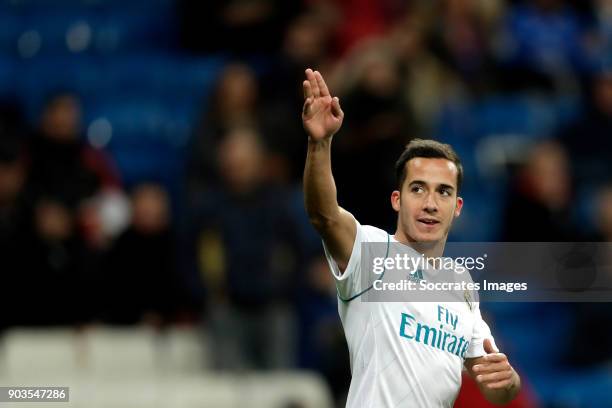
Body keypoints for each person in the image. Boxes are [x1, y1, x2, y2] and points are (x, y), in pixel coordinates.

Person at [301, 68, 521, 406]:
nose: (431, 204)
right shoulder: (373, 252)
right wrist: (320, 143)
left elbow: (494, 387)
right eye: (418, 189)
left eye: (444, 192)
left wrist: (509, 381)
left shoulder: (460, 284)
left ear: (457, 207)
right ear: (397, 199)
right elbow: (325, 214)